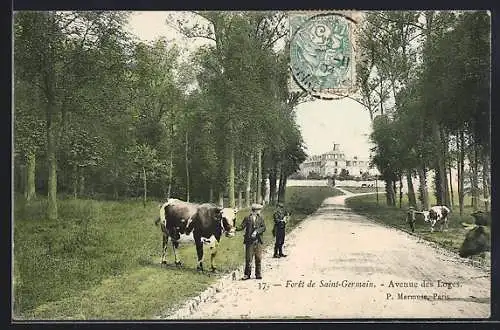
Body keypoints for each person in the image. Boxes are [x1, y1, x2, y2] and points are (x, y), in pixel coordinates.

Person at [236, 203, 266, 280]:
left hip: (258, 241)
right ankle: (247, 274)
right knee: (249, 258)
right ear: (255, 210)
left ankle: (258, 274)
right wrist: (234, 228)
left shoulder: (261, 218)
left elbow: (263, 227)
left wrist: (257, 231)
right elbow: (242, 226)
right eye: (259, 210)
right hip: (249, 241)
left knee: (258, 258)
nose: (260, 211)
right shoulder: (247, 218)